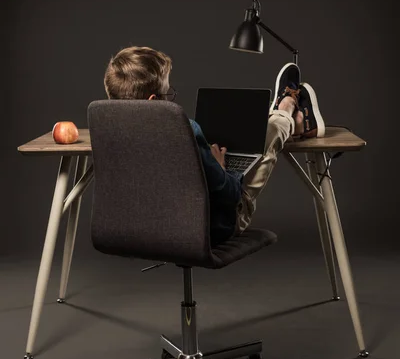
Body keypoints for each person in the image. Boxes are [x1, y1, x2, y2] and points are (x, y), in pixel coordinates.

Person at [104, 46, 325, 246]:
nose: (170, 99)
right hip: (211, 229)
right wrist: (219, 169)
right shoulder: (186, 130)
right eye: (167, 94)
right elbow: (230, 194)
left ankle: (287, 118)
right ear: (153, 101)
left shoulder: (106, 133)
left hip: (143, 232)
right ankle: (286, 108)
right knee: (271, 132)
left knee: (227, 139)